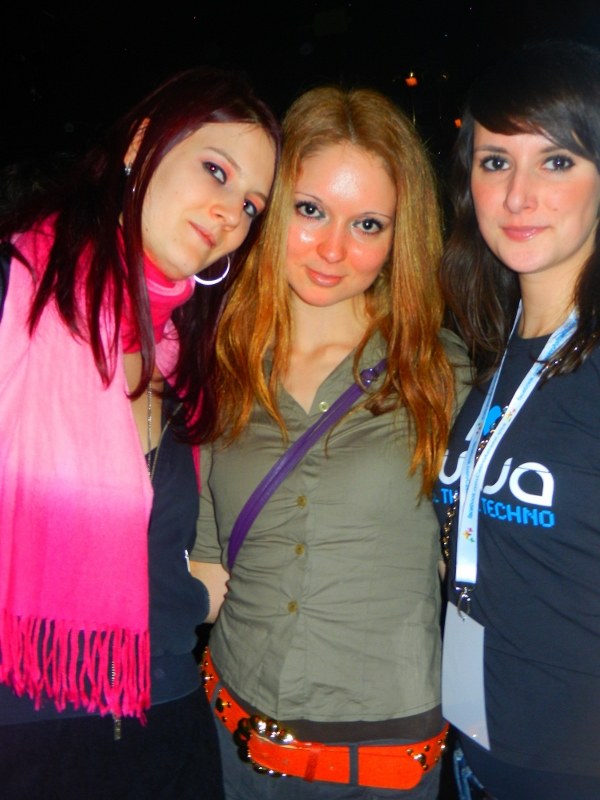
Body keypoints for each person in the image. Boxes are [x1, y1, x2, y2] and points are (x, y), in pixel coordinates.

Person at [0, 65, 280, 799]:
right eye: (216, 170)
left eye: (251, 204)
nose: (230, 213)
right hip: (26, 730)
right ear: (140, 145)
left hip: (169, 724)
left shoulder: (187, 357)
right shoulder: (13, 294)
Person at [191, 84, 471, 800]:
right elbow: (208, 571)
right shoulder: (220, 364)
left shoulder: (443, 375)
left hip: (380, 765)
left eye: (368, 223)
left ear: (398, 238)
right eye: (311, 210)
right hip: (230, 741)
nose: (334, 249)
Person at [434, 39, 600, 800]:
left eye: (557, 161)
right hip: (474, 757)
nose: (518, 197)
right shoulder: (492, 355)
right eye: (495, 161)